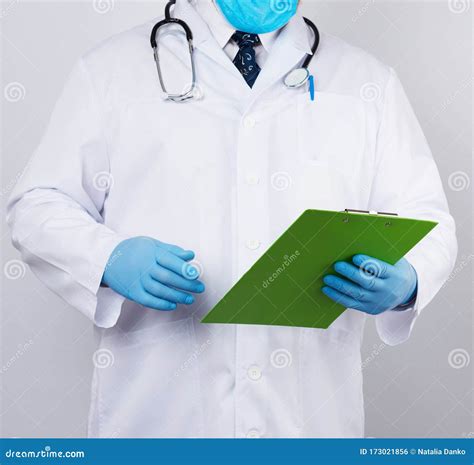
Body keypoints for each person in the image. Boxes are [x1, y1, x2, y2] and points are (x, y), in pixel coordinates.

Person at [7, 0, 457, 438]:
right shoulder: (112, 70)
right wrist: (108, 257)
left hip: (308, 424)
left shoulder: (366, 81)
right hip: (159, 419)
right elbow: (37, 204)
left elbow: (427, 218)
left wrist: (408, 281)